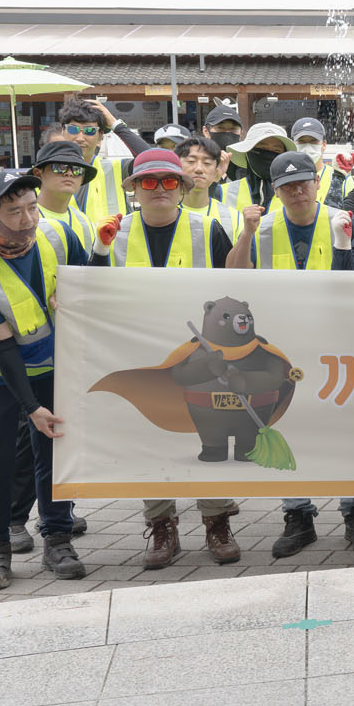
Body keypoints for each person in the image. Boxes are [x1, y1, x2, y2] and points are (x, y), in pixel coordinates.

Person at [94, 147, 241, 568]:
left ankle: (217, 522)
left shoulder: (208, 230)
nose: (159, 189)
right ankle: (162, 526)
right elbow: (93, 291)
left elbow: (233, 290)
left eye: (169, 181)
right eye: (149, 181)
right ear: (135, 189)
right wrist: (100, 250)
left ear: (182, 187)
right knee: (150, 439)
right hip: (140, 356)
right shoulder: (113, 232)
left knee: (209, 437)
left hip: (201, 357)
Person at [228, 152, 354, 557]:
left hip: (338, 345)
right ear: (275, 191)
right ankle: (298, 515)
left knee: (347, 429)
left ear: (316, 184)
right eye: (287, 186)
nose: (297, 192)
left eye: (303, 183)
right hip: (281, 349)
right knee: (285, 428)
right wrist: (246, 234)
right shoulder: (262, 228)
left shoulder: (342, 221)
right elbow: (232, 277)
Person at [0, 168, 84, 591]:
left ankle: (58, 538)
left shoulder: (55, 236)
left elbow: (87, 278)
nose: (27, 220)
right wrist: (32, 408)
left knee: (55, 454)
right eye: (13, 212)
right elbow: (4, 349)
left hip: (54, 366)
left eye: (31, 208)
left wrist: (74, 295)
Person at [222, 122, 292, 214]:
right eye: (262, 148)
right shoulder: (223, 192)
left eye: (276, 150)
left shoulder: (295, 192)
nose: (268, 154)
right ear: (247, 153)